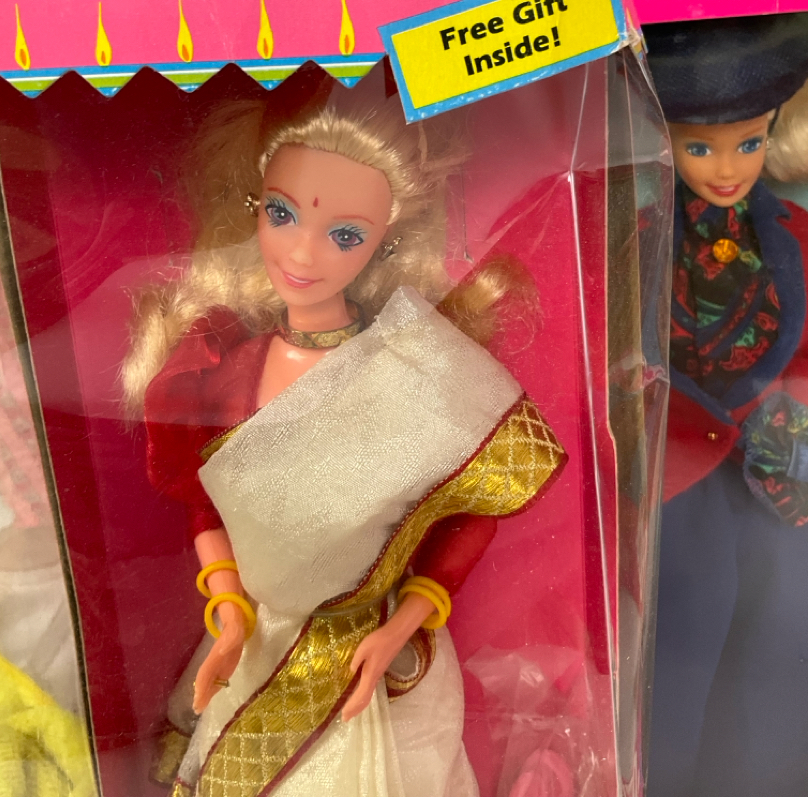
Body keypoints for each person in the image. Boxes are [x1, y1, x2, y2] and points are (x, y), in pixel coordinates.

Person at [122, 66, 565, 797]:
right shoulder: (223, 373)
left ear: (386, 242)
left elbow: (468, 516)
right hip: (260, 647)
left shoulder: (415, 368)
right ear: (253, 205)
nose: (302, 254)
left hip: (373, 656)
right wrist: (228, 611)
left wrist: (404, 624)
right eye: (282, 214)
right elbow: (209, 507)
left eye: (344, 234)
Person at [645, 12, 808, 797]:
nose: (728, 169)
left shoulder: (792, 231)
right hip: (675, 480)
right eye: (700, 147)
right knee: (680, 654)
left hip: (778, 484)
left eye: (749, 143)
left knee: (776, 652)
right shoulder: (637, 235)